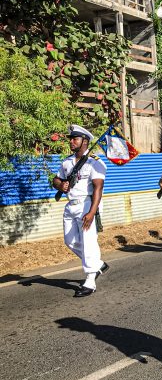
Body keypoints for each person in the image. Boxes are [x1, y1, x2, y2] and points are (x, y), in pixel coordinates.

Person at [52, 125, 108, 297]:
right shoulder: (67, 162)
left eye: (75, 139)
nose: (71, 142)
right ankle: (97, 264)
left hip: (87, 204)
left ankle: (90, 281)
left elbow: (98, 188)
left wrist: (91, 212)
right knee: (70, 241)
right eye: (71, 139)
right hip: (70, 205)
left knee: (88, 242)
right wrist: (60, 185)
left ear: (85, 141)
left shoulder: (95, 162)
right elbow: (56, 179)